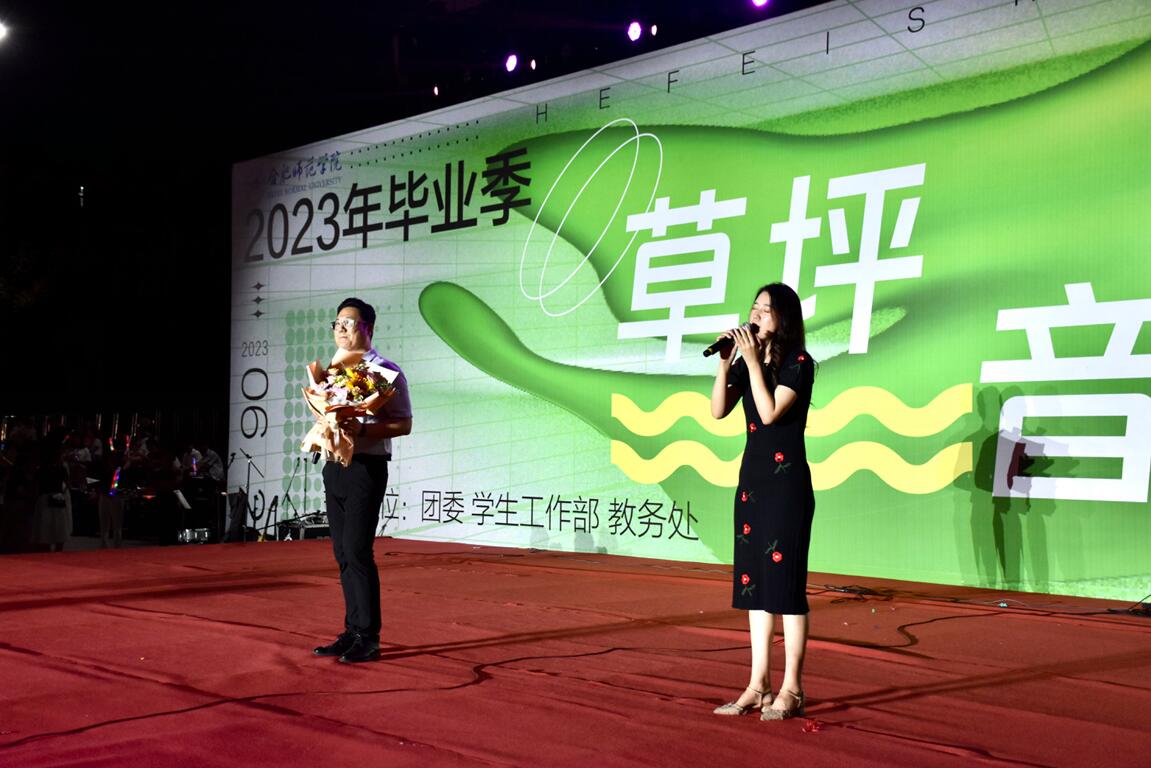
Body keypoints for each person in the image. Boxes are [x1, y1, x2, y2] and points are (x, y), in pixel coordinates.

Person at [709, 282, 816, 721]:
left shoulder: (799, 363)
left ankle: (792, 688)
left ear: (784, 318)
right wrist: (726, 363)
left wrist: (753, 362)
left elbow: (770, 412)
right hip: (752, 485)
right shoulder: (747, 362)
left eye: (765, 310)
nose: (755, 316)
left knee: (785, 588)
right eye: (753, 308)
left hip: (786, 487)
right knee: (754, 587)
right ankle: (758, 685)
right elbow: (718, 410)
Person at [313, 297, 412, 664]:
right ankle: (352, 630)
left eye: (349, 323)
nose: (341, 329)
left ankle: (368, 637)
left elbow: (403, 423)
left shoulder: (384, 371)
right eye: (337, 323)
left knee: (357, 550)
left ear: (368, 328)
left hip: (366, 468)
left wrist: (363, 430)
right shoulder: (334, 370)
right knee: (342, 553)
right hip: (335, 466)